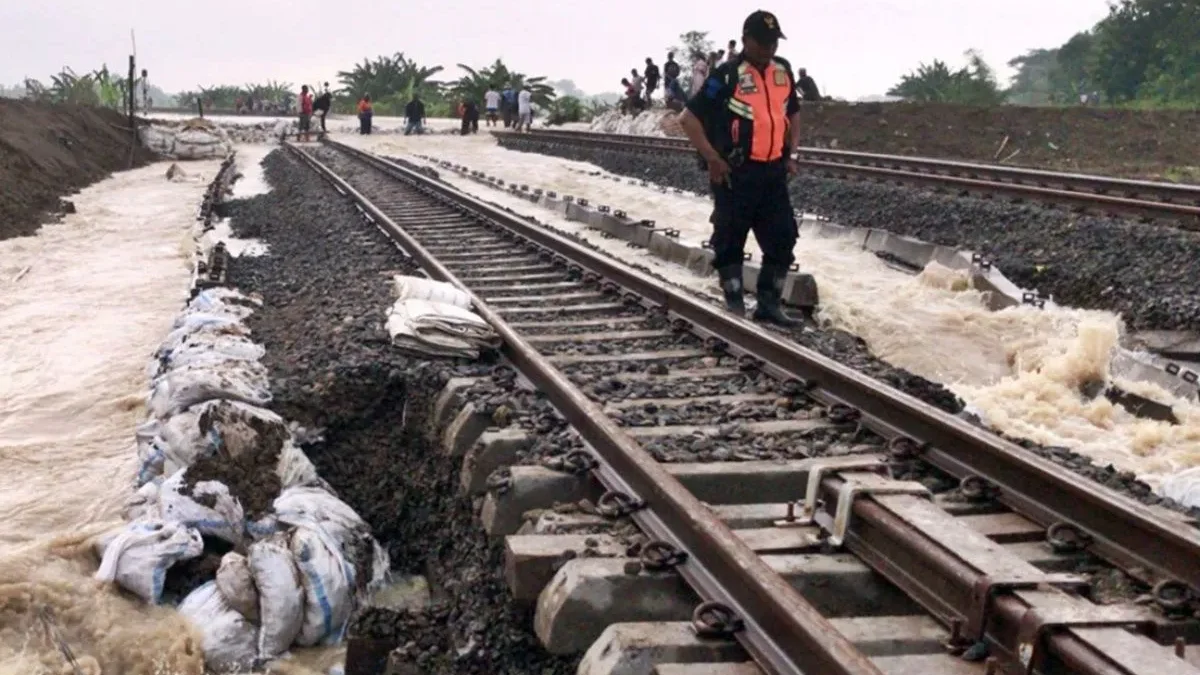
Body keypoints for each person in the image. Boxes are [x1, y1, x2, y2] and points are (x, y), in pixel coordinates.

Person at [678, 10, 803, 326]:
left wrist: (793, 154)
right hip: (735, 173)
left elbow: (794, 113)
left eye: (773, 42)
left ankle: (768, 304)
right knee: (730, 238)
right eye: (761, 42)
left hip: (773, 172)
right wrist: (711, 157)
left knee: (784, 237)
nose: (768, 49)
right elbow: (688, 119)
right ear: (746, 40)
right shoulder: (726, 75)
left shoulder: (782, 71)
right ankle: (734, 304)